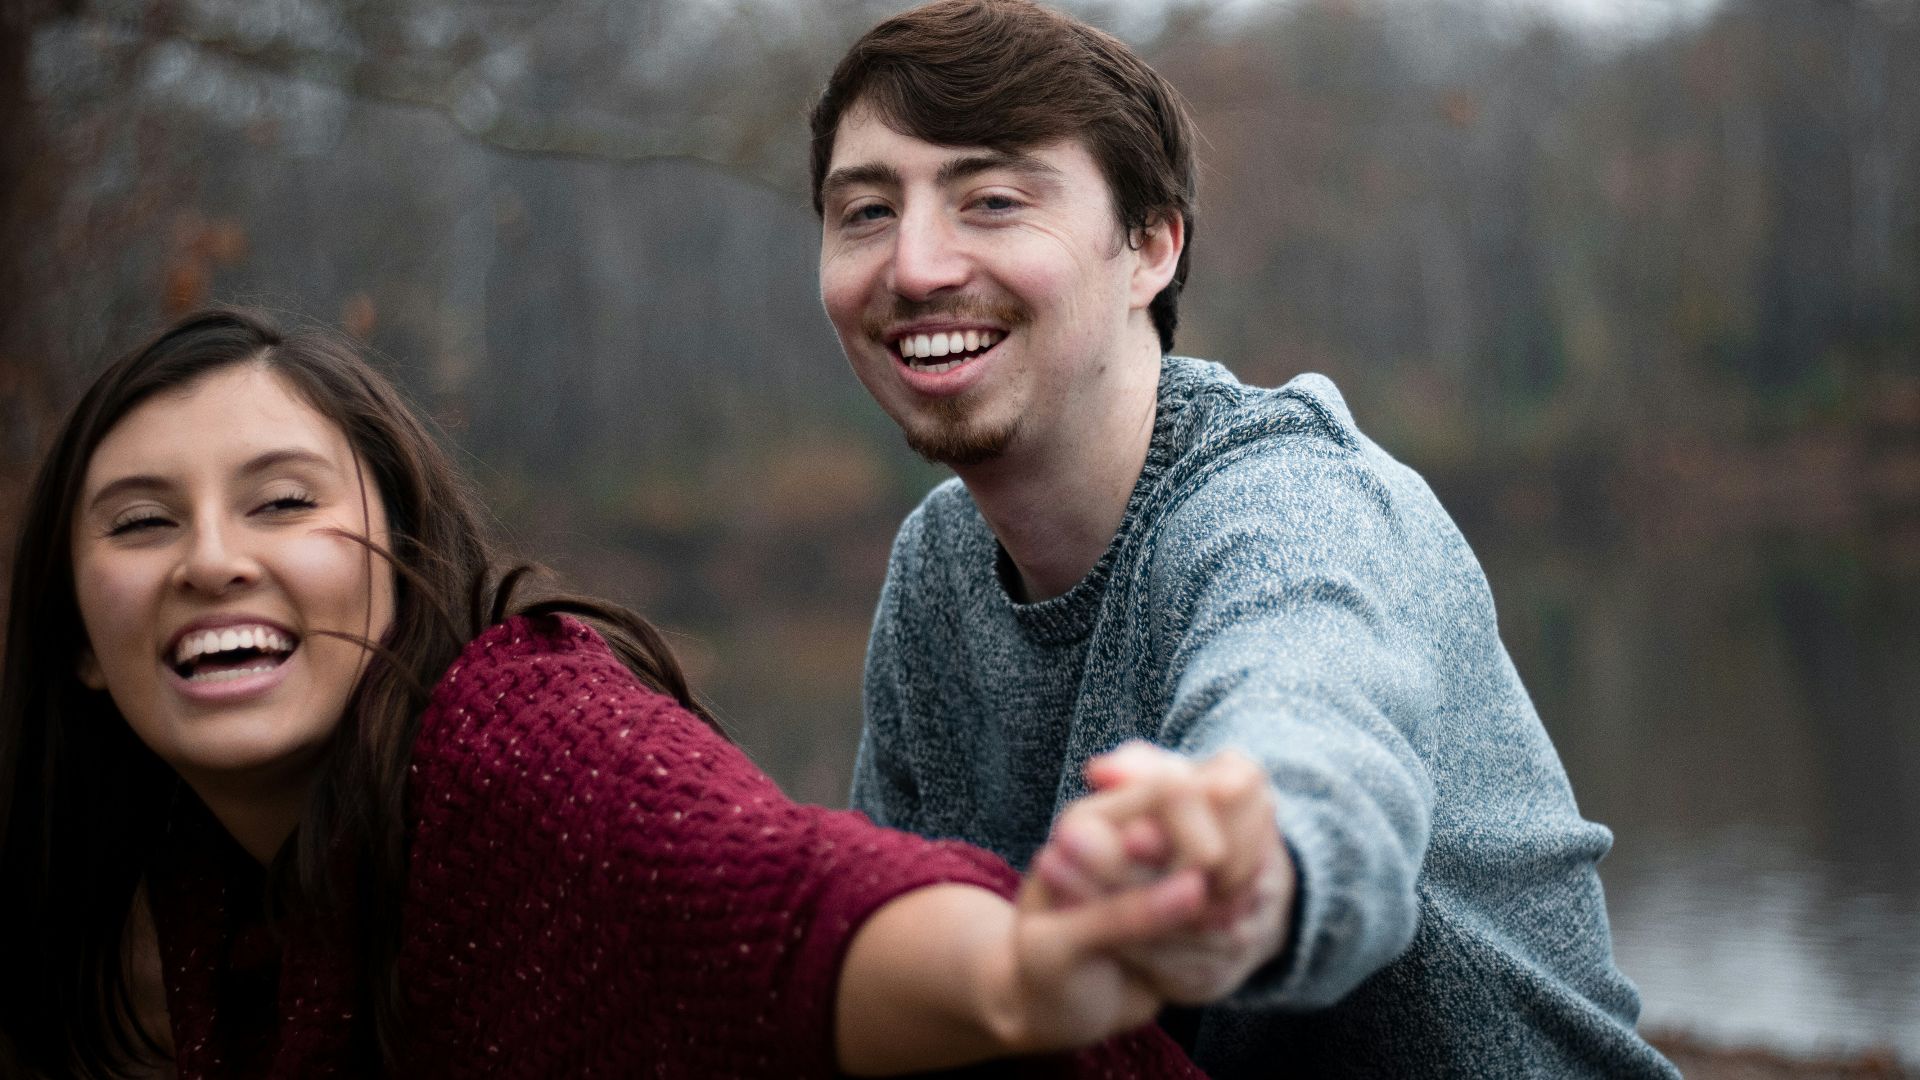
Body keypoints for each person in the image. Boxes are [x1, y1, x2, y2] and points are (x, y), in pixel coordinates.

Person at [808, 1, 1681, 1076]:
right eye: (864, 211)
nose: (915, 265)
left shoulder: (1290, 498)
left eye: (991, 200)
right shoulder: (937, 570)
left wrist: (1247, 858)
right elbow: (897, 930)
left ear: (1151, 248)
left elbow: (1315, 723)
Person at [0, 307, 1216, 1079]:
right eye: (144, 522)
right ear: (80, 642)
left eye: (282, 501)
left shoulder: (512, 742)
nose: (212, 557)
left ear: (402, 557)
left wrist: (1022, 970)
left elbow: (784, 902)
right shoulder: (172, 895)